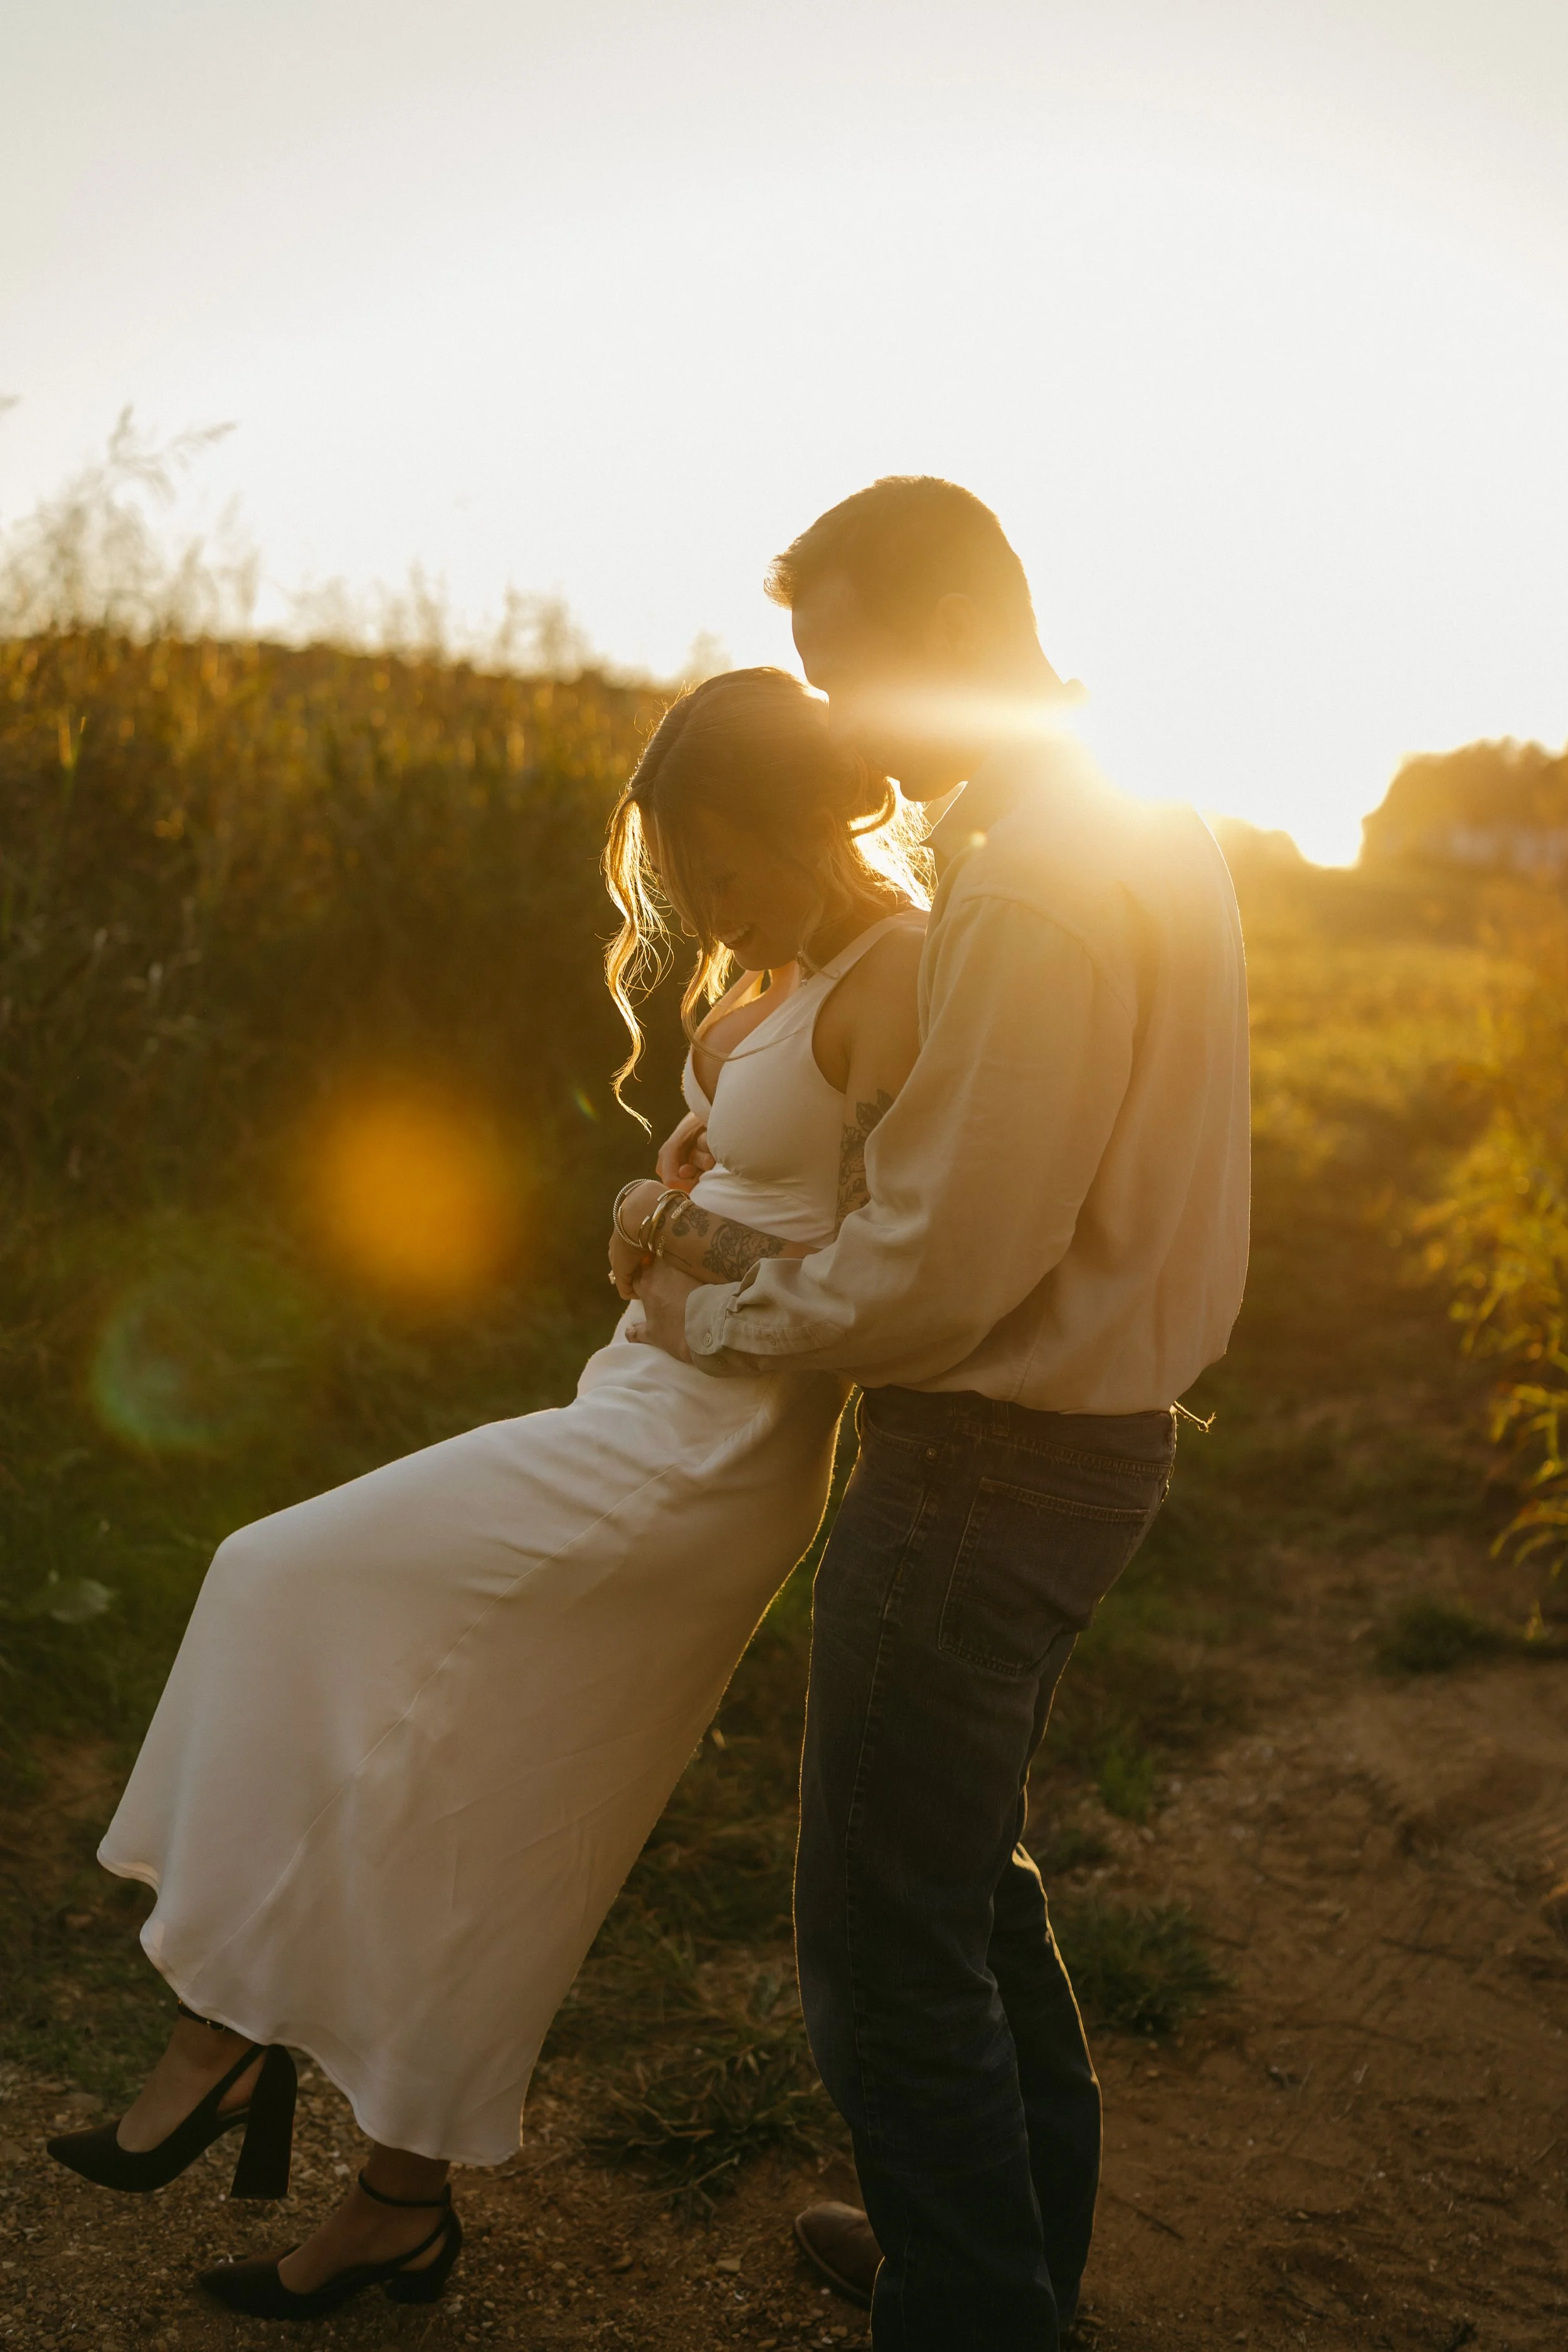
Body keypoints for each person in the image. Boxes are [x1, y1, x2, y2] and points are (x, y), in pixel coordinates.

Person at [46, 667, 930, 2323]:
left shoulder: (900, 980)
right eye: (684, 878)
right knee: (495, 1795)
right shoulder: (773, 969)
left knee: (277, 1571)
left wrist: (696, 1244)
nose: (709, 907)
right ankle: (395, 2194)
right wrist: (653, 1201)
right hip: (637, 1395)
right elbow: (736, 1184)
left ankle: (224, 2023)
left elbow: (902, 1262)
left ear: (822, 821)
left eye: (729, 866)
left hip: (712, 1456)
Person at [633, 477, 1251, 2351]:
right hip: (1084, 1440)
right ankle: (995, 2262)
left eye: (839, 670)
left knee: (877, 1935)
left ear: (938, 642)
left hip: (993, 1455)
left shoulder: (1045, 876)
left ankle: (975, 2313)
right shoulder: (1138, 820)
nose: (828, 725)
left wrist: (714, 1302)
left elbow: (941, 1264)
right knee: (959, 1883)